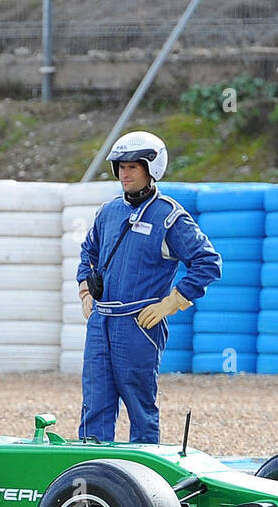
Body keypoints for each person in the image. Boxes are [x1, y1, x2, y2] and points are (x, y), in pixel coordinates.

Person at [77, 131, 222, 443]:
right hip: (100, 322)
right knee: (94, 404)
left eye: (132, 167)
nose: (124, 174)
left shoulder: (169, 217)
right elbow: (88, 252)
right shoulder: (108, 212)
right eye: (120, 167)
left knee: (140, 407)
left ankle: (142, 482)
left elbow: (208, 262)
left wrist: (173, 302)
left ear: (150, 169)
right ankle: (94, 476)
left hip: (139, 324)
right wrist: (85, 291)